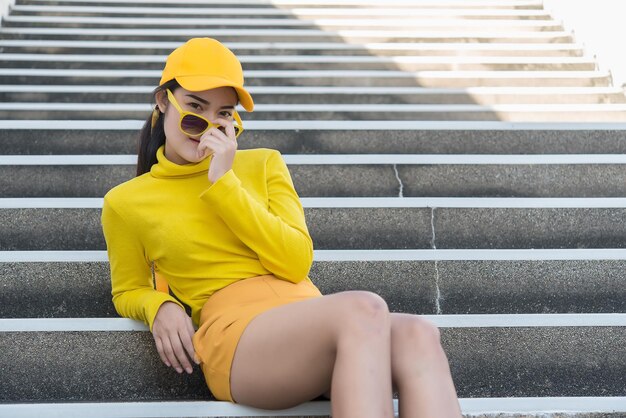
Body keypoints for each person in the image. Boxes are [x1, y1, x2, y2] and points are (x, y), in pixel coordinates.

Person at [101, 37, 462, 418]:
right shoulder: (126, 202)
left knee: (418, 334)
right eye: (194, 109)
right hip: (236, 337)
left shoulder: (264, 164)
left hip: (312, 319)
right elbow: (128, 289)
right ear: (163, 101)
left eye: (224, 114)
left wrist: (224, 184)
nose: (207, 126)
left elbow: (294, 262)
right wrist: (160, 305)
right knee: (365, 308)